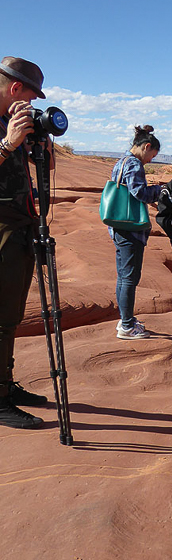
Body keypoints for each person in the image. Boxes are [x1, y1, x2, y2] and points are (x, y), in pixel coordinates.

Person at [0, 56, 50, 429]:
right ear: (16, 88)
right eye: (31, 97)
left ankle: (5, 385)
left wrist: (37, 144)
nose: (32, 105)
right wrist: (7, 144)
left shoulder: (12, 121)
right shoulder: (7, 129)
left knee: (10, 316)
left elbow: (41, 173)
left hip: (20, 228)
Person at [109, 125, 163, 340]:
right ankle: (127, 327)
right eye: (152, 155)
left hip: (119, 226)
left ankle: (126, 320)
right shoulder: (133, 163)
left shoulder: (122, 161)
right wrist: (160, 190)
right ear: (146, 146)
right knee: (129, 278)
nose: (150, 160)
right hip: (129, 228)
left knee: (124, 276)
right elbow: (140, 193)